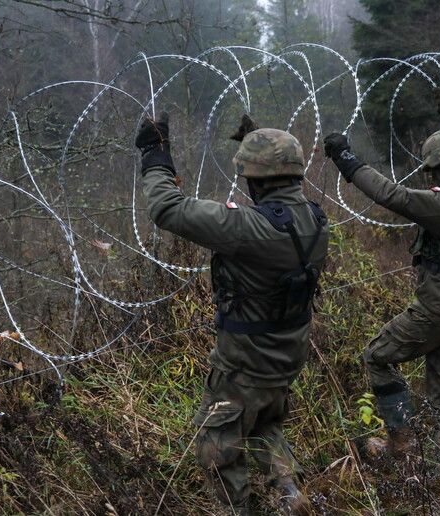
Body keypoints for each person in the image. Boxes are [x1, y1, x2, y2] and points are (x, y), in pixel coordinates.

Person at [135, 112, 328, 516]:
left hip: (244, 363)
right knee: (261, 423)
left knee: (215, 449)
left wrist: (156, 153)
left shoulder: (246, 228)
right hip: (287, 355)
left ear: (255, 180)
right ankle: (290, 493)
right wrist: (259, 141)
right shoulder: (314, 219)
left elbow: (167, 208)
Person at [323, 88, 440, 465]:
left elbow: (391, 195)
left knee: (376, 357)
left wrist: (345, 158)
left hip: (438, 309)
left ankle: (401, 444)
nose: (431, 176)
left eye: (434, 169)